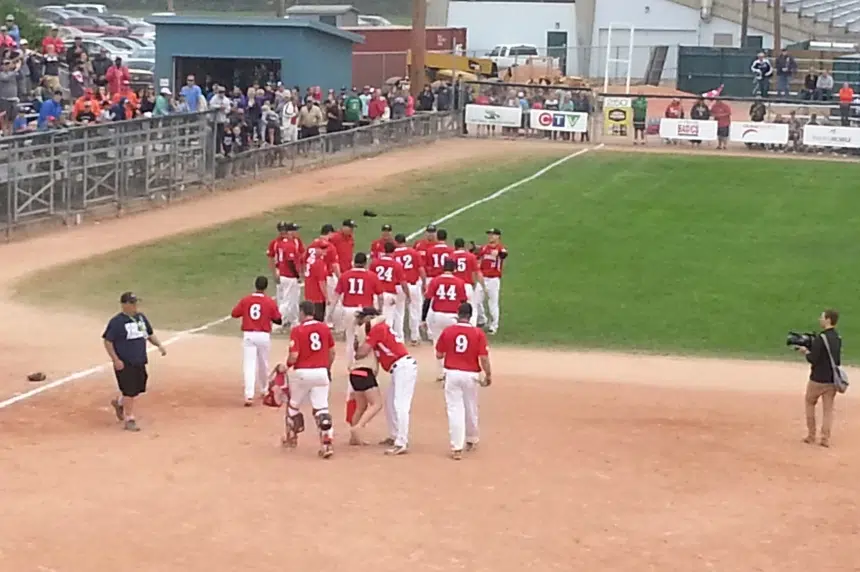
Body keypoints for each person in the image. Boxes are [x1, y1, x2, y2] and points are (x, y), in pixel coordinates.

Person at [353, 307, 419, 456]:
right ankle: (394, 435)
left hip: (403, 366)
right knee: (390, 403)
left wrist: (358, 344)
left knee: (400, 405)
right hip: (398, 368)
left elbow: (361, 353)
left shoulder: (377, 329)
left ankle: (401, 442)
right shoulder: (381, 328)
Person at [102, 292, 167, 432]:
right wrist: (116, 359)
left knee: (137, 388)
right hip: (125, 362)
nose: (135, 306)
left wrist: (159, 345)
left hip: (140, 360)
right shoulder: (117, 322)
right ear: (124, 305)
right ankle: (129, 418)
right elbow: (108, 341)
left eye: (136, 303)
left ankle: (120, 403)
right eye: (132, 303)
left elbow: (148, 334)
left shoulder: (140, 318)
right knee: (129, 390)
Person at [435, 303, 492, 460]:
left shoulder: (448, 331)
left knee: (455, 410)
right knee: (471, 406)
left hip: (452, 373)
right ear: (470, 315)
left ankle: (456, 447)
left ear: (458, 314)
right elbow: (484, 358)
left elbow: (439, 354)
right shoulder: (478, 333)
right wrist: (488, 375)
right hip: (471, 374)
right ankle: (472, 438)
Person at [283, 301, 336, 458]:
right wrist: (327, 368)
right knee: (322, 409)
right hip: (321, 372)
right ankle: (326, 443)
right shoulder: (324, 328)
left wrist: (286, 366)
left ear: (302, 312)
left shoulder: (297, 330)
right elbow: (332, 352)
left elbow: (294, 356)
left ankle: (291, 437)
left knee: (293, 406)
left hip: (303, 373)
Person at [230, 276, 283, 406]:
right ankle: (264, 390)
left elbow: (234, 313)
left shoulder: (246, 300)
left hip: (249, 335)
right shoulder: (269, 301)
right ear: (265, 287)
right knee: (263, 364)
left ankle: (249, 395)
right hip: (264, 336)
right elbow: (278, 319)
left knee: (249, 365)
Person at [796, 310, 843, 448]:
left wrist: (806, 352)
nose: (820, 320)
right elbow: (837, 360)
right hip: (831, 380)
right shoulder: (838, 338)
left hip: (817, 379)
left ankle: (811, 435)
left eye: (822, 317)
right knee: (828, 409)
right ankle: (825, 438)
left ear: (828, 320)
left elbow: (813, 358)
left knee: (810, 403)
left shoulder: (821, 338)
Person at [335, 252, 383, 370]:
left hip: (348, 309)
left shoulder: (345, 275)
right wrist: (379, 309)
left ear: (354, 262)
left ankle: (351, 365)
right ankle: (366, 364)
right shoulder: (371, 276)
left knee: (350, 338)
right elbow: (380, 295)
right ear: (365, 264)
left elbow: (336, 295)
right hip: (365, 312)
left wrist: (331, 312)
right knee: (367, 339)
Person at [422, 259, 468, 381]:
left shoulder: (435, 280)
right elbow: (463, 301)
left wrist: (423, 318)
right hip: (453, 316)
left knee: (438, 343)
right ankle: (451, 370)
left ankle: (441, 372)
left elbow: (427, 300)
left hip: (437, 315)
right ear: (454, 269)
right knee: (452, 344)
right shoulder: (460, 282)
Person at [346, 312, 383, 446]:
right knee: (377, 404)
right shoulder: (367, 329)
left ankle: (354, 438)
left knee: (360, 407)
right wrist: (378, 316)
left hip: (355, 373)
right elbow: (382, 319)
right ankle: (358, 427)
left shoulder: (359, 332)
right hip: (365, 372)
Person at [392, 233, 426, 345]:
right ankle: (415, 337)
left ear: (396, 242)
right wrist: (424, 283)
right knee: (415, 311)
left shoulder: (393, 254)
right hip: (413, 285)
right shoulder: (413, 252)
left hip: (398, 286)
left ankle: (399, 337)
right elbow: (421, 269)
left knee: (399, 312)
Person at [370, 241, 409, 332]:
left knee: (375, 320)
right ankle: (386, 341)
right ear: (394, 252)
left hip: (376, 294)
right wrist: (408, 295)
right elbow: (403, 283)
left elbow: (370, 278)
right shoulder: (396, 265)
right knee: (388, 320)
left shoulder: (375, 263)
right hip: (390, 294)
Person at [475, 228, 508, 335]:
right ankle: (481, 319)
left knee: (492, 303)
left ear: (498, 236)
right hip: (482, 278)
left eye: (493, 235)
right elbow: (476, 256)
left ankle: (494, 326)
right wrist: (474, 250)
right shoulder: (484, 248)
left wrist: (498, 252)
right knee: (475, 301)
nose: (490, 236)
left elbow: (504, 254)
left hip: (494, 280)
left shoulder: (500, 248)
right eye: (489, 234)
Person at [451, 238, 483, 326]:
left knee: (456, 307)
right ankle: (471, 327)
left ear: (455, 246)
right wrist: (474, 284)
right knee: (472, 307)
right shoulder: (470, 256)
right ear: (463, 246)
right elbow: (475, 272)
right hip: (467, 285)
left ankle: (457, 327)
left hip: (455, 286)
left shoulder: (451, 256)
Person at [303, 240, 330, 322]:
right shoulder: (319, 263)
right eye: (322, 248)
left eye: (325, 248)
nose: (325, 250)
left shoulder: (309, 260)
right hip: (317, 297)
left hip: (309, 294)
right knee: (318, 320)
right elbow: (321, 282)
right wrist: (327, 297)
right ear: (315, 249)